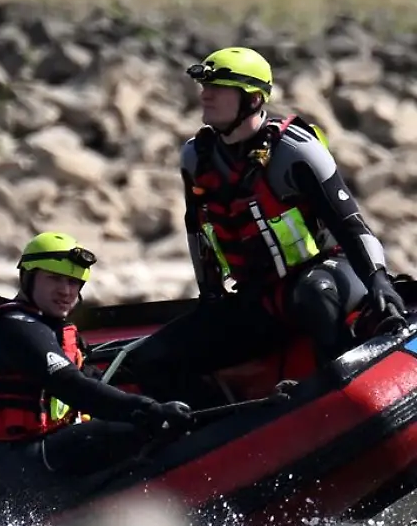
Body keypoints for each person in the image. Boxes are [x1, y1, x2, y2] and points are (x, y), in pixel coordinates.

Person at [125, 46, 407, 401]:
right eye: (205, 86)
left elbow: (350, 225)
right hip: (259, 298)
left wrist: (378, 278)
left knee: (314, 293)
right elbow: (197, 230)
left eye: (219, 88)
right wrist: (209, 293)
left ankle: (338, 393)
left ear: (254, 99)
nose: (205, 95)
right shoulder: (195, 157)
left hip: (328, 276)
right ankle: (220, 424)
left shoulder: (295, 151)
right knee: (150, 359)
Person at [0, 232, 190, 506]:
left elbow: (94, 382)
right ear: (28, 278)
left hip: (34, 452)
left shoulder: (51, 330)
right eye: (54, 279)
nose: (66, 291)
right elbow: (71, 385)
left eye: (74, 282)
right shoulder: (14, 326)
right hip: (12, 462)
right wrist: (151, 411)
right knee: (142, 430)